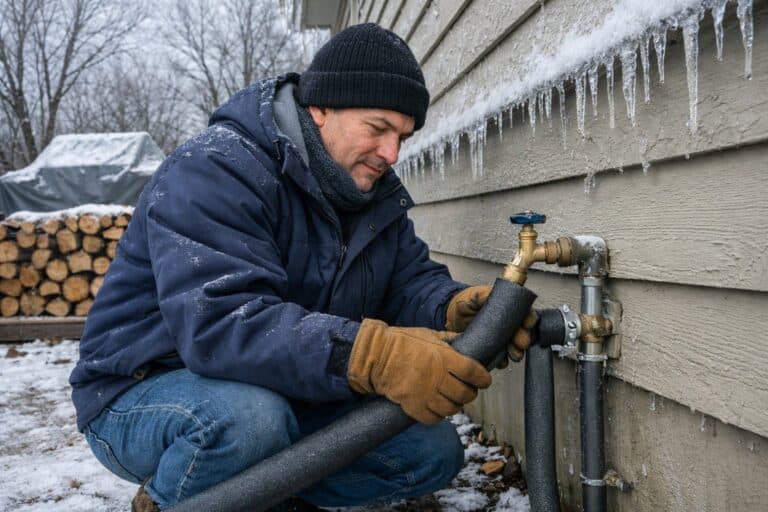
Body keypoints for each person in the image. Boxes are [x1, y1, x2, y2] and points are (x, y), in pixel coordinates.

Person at [70, 23, 534, 512]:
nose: (391, 154)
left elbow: (406, 281)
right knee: (248, 422)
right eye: (378, 129)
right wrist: (370, 357)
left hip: (278, 386)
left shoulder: (365, 191)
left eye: (402, 136)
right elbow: (222, 325)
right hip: (144, 391)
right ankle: (170, 500)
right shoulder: (216, 168)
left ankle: (263, 495)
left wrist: (453, 308)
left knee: (427, 452)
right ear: (320, 108)